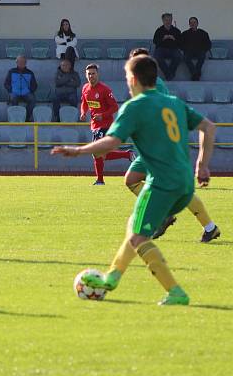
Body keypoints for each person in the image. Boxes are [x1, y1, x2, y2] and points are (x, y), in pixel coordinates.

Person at [52, 54, 217, 306]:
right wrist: (203, 165)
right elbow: (209, 127)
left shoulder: (135, 106)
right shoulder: (172, 102)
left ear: (135, 79)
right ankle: (113, 277)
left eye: (127, 76)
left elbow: (112, 142)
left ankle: (175, 292)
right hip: (185, 182)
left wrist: (79, 150)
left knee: (139, 238)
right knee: (134, 225)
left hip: (161, 183)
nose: (127, 82)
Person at [124, 48, 221, 243]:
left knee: (173, 189)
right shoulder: (148, 85)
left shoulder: (153, 86)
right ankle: (207, 226)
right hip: (155, 146)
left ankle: (202, 224)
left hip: (161, 147)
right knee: (134, 180)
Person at [79, 63, 134, 185]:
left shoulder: (105, 90)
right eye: (89, 74)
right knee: (99, 154)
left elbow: (114, 107)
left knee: (96, 152)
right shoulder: (85, 88)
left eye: (93, 73)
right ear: (86, 75)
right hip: (94, 125)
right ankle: (126, 155)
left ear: (98, 74)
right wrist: (83, 112)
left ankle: (100, 179)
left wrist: (102, 115)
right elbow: (84, 102)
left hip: (105, 125)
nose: (91, 76)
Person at [4, 55, 37, 121]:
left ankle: (26, 118)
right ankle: (16, 118)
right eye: (19, 62)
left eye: (23, 62)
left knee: (32, 100)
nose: (21, 63)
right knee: (13, 98)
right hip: (14, 92)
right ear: (16, 62)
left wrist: (30, 91)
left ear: (25, 63)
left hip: (26, 92)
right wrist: (11, 90)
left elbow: (34, 85)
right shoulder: (11, 71)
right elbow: (6, 83)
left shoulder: (30, 73)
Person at [152, 12, 183, 80]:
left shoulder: (176, 31)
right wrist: (163, 38)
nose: (168, 22)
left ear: (171, 20)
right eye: (166, 20)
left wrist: (174, 39)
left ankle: (169, 73)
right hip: (161, 49)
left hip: (173, 49)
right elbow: (155, 41)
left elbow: (181, 43)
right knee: (157, 56)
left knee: (179, 56)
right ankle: (169, 74)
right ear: (163, 21)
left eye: (169, 20)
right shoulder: (159, 30)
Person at [181, 17, 212, 81]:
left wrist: (204, 50)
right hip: (189, 51)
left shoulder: (203, 33)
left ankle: (196, 73)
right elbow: (181, 44)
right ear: (189, 24)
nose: (193, 24)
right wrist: (185, 49)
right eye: (191, 22)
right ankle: (195, 73)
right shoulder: (184, 34)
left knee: (202, 57)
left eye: (194, 22)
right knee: (186, 58)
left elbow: (208, 44)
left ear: (197, 24)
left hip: (200, 51)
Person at [52, 58, 81, 122]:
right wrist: (69, 79)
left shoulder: (75, 73)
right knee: (55, 98)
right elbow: (57, 83)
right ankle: (58, 116)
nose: (65, 67)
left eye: (67, 65)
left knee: (73, 99)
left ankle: (73, 116)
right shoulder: (57, 73)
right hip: (60, 93)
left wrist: (63, 81)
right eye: (63, 65)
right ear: (60, 66)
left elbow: (77, 83)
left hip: (71, 93)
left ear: (70, 66)